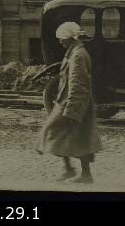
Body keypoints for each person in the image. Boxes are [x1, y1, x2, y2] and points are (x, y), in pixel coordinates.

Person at [35, 21, 102, 185]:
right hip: (67, 101)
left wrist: (72, 111)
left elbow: (78, 84)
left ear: (70, 38)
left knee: (73, 136)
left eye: (62, 38)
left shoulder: (77, 55)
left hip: (73, 103)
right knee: (74, 137)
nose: (60, 41)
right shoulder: (74, 52)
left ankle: (80, 173)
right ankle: (74, 170)